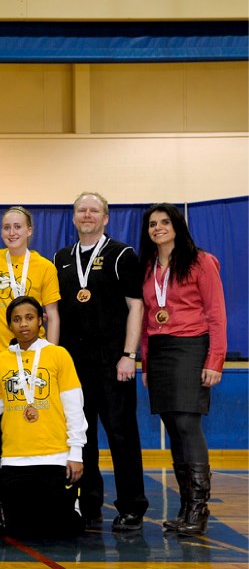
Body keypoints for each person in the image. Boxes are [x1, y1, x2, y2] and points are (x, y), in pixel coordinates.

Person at [54, 192, 149, 531]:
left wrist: (129, 354)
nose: (88, 215)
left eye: (94, 210)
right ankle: (89, 504)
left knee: (122, 434)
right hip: (74, 360)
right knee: (84, 435)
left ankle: (132, 506)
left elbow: (136, 307)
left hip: (113, 360)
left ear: (106, 217)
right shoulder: (61, 257)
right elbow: (56, 313)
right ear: (74, 217)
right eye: (82, 210)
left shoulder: (122, 254)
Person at [138, 203, 226, 536]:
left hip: (191, 348)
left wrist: (214, 359)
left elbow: (216, 313)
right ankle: (185, 507)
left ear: (177, 225)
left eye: (164, 222)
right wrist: (146, 363)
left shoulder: (202, 262)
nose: (157, 227)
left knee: (188, 424)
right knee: (173, 428)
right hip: (159, 351)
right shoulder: (148, 268)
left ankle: (199, 510)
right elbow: (148, 319)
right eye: (151, 224)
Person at [0, 296, 87, 537]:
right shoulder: (2, 360)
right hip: (14, 461)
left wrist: (75, 453)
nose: (23, 324)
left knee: (61, 531)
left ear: (41, 321)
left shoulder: (58, 355)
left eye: (29, 317)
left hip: (54, 458)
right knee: (20, 531)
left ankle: (73, 507)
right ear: (9, 325)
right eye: (17, 319)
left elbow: (74, 407)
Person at [0, 206, 60, 353]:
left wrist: (51, 353)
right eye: (6, 227)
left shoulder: (45, 267)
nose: (12, 233)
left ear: (29, 230)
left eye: (17, 227)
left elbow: (53, 315)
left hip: (30, 351)